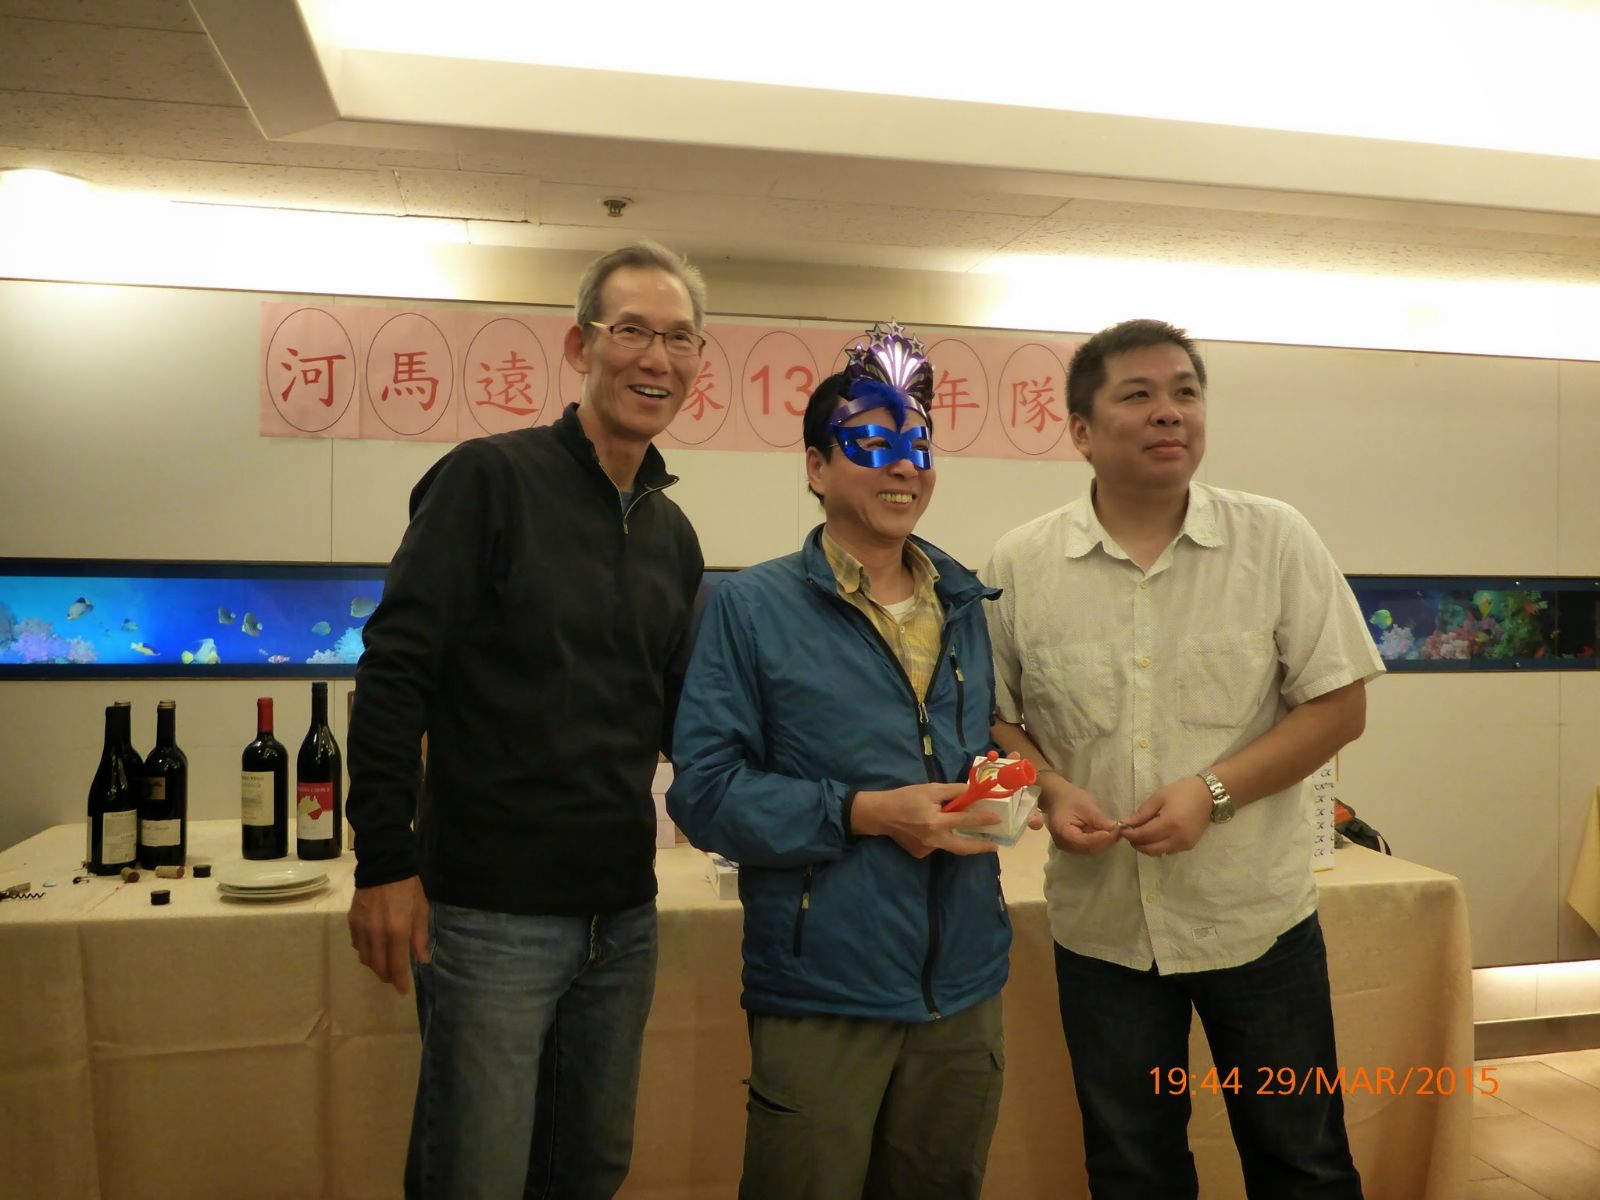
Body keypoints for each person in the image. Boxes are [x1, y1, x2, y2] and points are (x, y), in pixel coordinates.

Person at [984, 319, 1383, 1200]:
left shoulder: (1274, 539)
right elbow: (998, 723)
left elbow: (1339, 706)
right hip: (1103, 933)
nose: (1169, 412)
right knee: (1133, 1170)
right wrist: (1048, 787)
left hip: (1255, 919)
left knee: (1303, 1163)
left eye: (1186, 393)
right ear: (1081, 430)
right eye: (1138, 395)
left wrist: (1213, 791)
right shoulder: (1020, 564)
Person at [345, 241, 707, 1200]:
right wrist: (383, 860)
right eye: (632, 331)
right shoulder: (487, 481)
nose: (656, 358)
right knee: (478, 1176)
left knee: (589, 1170)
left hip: (622, 916)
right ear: (580, 345)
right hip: (487, 915)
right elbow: (395, 671)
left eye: (679, 338)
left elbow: (684, 717)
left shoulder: (672, 535)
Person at [669, 322, 1026, 1200]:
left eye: (919, 446)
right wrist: (864, 812)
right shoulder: (750, 608)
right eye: (870, 444)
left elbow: (974, 746)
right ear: (816, 467)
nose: (903, 466)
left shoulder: (965, 601)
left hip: (964, 984)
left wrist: (1006, 788)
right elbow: (705, 792)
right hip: (824, 983)